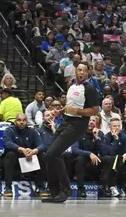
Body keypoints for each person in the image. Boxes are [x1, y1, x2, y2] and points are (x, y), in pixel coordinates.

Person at [43, 61, 99, 203]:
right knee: (49, 155)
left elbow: (95, 111)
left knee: (53, 153)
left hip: (78, 124)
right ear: (75, 71)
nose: (81, 72)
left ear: (87, 73)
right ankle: (54, 192)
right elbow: (70, 106)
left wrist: (77, 111)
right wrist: (59, 111)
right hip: (65, 121)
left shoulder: (90, 88)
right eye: (79, 70)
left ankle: (65, 190)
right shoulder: (71, 85)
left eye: (84, 70)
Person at [1, 113, 46, 198]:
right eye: (19, 120)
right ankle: (8, 187)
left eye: (24, 120)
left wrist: (33, 151)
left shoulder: (32, 131)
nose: (21, 122)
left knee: (42, 155)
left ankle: (40, 186)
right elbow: (7, 143)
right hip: (13, 161)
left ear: (27, 122)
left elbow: (42, 146)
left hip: (28, 161)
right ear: (15, 122)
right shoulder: (9, 130)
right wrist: (23, 150)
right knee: (11, 154)